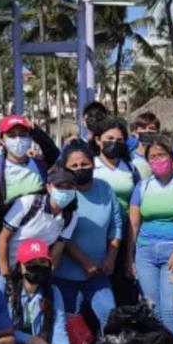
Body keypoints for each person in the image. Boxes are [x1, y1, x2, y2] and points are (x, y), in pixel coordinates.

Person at [128, 136, 173, 340]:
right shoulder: (142, 187)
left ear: (171, 157)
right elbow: (134, 224)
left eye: (161, 155)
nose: (157, 160)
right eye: (152, 157)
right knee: (155, 312)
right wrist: (130, 258)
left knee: (172, 312)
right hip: (146, 254)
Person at [52, 141, 122, 330]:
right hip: (66, 276)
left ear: (93, 164)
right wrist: (85, 262)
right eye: (73, 166)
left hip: (99, 273)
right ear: (65, 168)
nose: (80, 169)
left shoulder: (105, 189)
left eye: (84, 164)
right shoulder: (63, 193)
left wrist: (111, 258)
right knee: (70, 328)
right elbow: (62, 231)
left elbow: (116, 226)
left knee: (111, 319)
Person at [0, 169, 78, 293]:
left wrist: (43, 278)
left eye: (69, 187)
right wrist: (5, 277)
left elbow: (57, 251)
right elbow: (3, 238)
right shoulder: (28, 203)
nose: (64, 191)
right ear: (49, 187)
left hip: (29, 273)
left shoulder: (71, 217)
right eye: (59, 186)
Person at [91, 117, 141, 306]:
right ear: (98, 140)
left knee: (123, 285)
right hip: (97, 236)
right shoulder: (91, 166)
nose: (114, 143)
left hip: (125, 235)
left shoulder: (130, 168)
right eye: (109, 138)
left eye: (119, 140)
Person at [0, 114, 59, 203]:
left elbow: (55, 154)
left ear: (30, 137)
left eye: (23, 134)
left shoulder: (41, 166)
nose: (18, 140)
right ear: (2, 140)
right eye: (11, 135)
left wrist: (37, 132)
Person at [129, 112, 160, 181]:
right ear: (136, 132)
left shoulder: (163, 155)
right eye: (143, 128)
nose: (147, 131)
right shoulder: (129, 154)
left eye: (152, 128)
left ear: (157, 132)